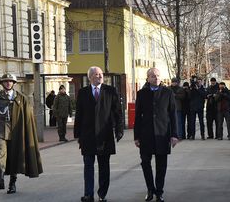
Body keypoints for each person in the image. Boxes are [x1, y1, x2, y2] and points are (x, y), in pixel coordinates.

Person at [0, 73, 43, 194]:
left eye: (10, 81)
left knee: (14, 156)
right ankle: (0, 178)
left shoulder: (21, 98)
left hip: (16, 130)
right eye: (5, 81)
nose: (8, 83)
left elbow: (27, 117)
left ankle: (12, 183)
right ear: (2, 83)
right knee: (1, 153)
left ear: (14, 83)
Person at [74, 66, 124, 202]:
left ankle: (102, 194)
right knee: (88, 166)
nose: (99, 76)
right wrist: (77, 135)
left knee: (104, 167)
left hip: (105, 135)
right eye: (96, 74)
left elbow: (118, 112)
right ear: (90, 77)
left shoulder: (110, 91)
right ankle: (88, 194)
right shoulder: (83, 93)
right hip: (87, 135)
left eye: (101, 74)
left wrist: (119, 129)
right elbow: (79, 114)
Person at [134, 68, 179, 202]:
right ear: (148, 78)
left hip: (162, 133)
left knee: (161, 165)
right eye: (153, 76)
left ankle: (159, 192)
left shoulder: (168, 92)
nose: (156, 78)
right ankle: (150, 189)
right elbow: (137, 116)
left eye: (158, 76)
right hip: (145, 134)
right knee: (145, 163)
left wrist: (174, 135)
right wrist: (136, 136)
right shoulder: (141, 93)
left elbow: (173, 114)